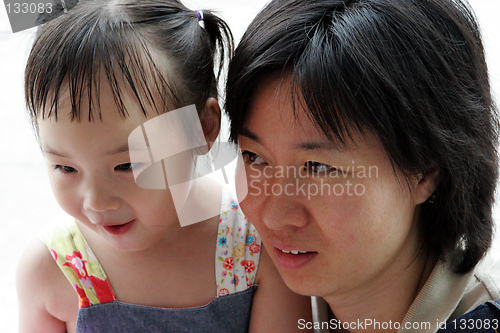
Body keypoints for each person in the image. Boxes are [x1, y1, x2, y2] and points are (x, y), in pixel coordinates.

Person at [16, 0, 312, 332]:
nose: (96, 201)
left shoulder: (255, 248)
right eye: (65, 168)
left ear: (202, 130)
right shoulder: (52, 270)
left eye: (126, 165)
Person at [225, 0, 500, 332]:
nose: (272, 215)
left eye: (317, 167)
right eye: (254, 157)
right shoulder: (242, 293)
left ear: (426, 172)